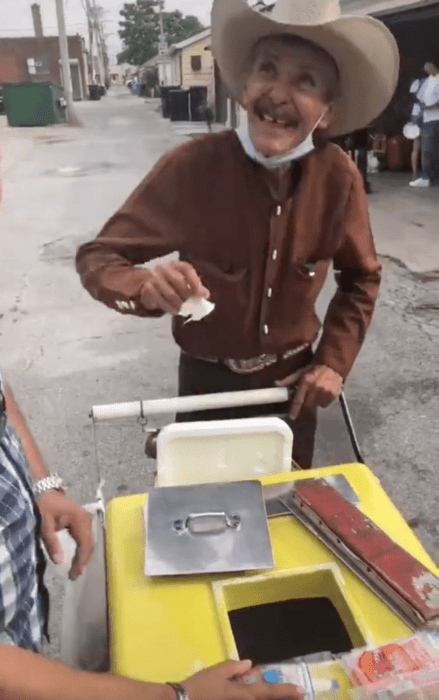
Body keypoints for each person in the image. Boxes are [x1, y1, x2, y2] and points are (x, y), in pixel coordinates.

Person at [75, 0, 399, 469]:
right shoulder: (192, 166)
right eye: (267, 71)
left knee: (284, 511)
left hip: (292, 387)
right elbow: (99, 257)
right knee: (204, 513)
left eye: (305, 81)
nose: (279, 93)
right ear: (244, 89)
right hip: (205, 384)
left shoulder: (339, 178)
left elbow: (361, 279)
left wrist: (333, 360)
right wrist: (145, 286)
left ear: (325, 114)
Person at [410, 61, 439, 188]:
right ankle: (427, 177)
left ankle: (428, 177)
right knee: (427, 149)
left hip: (436, 118)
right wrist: (416, 116)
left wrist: (429, 106)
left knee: (430, 149)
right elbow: (419, 99)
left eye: (428, 66)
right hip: (426, 119)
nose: (426, 68)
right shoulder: (426, 81)